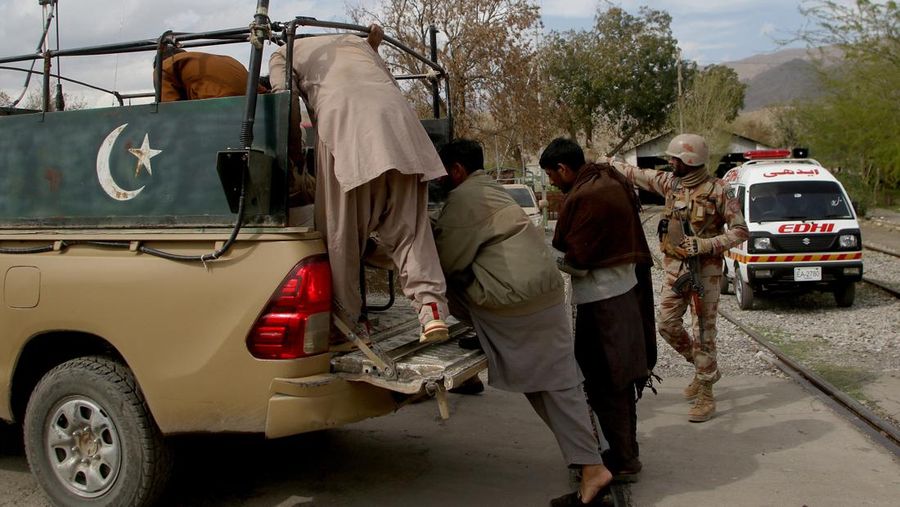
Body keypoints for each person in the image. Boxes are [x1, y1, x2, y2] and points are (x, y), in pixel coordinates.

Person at [433, 139, 612, 506]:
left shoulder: (464, 199)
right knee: (552, 384)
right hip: (543, 296)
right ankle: (591, 464)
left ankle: (594, 467)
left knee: (555, 387)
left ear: (455, 171)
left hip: (515, 307)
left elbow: (445, 262)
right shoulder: (490, 188)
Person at [268, 25, 450, 343]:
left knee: (341, 240)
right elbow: (379, 83)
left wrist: (293, 161)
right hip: (402, 130)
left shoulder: (284, 53)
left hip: (347, 132)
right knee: (412, 232)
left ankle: (348, 326)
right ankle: (431, 311)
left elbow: (285, 106)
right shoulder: (353, 42)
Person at [607, 133, 749, 422]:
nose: (670, 162)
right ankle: (703, 366)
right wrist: (607, 163)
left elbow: (741, 231)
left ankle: (706, 394)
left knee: (703, 332)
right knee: (667, 325)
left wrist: (708, 244)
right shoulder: (671, 183)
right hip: (676, 269)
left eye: (675, 158)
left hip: (706, 272)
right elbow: (637, 174)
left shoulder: (721, 191)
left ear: (690, 160)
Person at [539, 138, 657, 482]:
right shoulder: (606, 181)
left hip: (605, 304)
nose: (550, 182)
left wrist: (545, 257)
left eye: (550, 175)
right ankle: (623, 454)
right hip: (623, 297)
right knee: (618, 382)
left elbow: (579, 263)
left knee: (608, 383)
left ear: (563, 169)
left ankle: (621, 461)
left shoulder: (589, 195)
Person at [155, 47, 262, 102]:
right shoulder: (226, 59)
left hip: (216, 108)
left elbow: (168, 107)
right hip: (253, 104)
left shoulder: (164, 66)